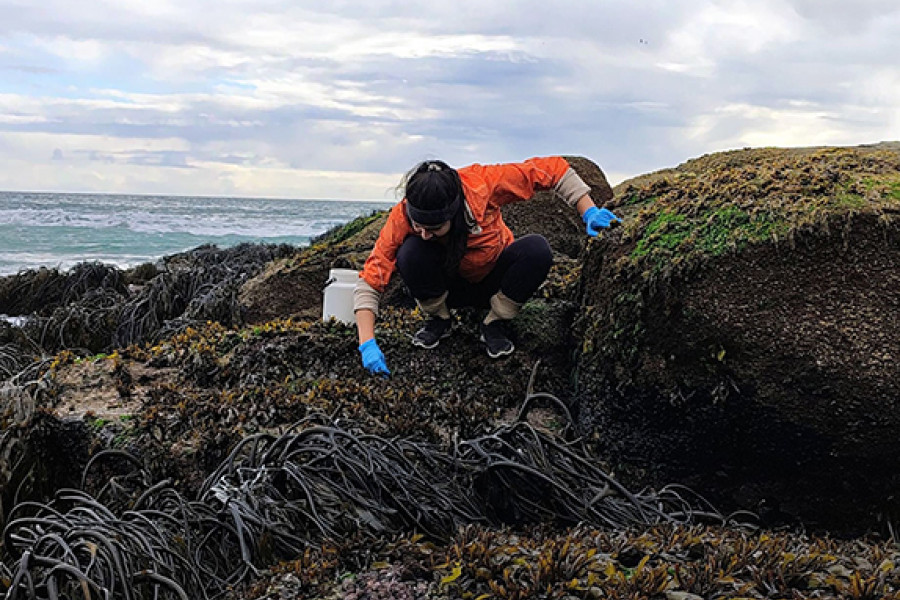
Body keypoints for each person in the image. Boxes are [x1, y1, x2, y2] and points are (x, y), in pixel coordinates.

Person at [354, 157, 620, 375]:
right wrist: (367, 343)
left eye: (433, 228)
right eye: (418, 226)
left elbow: (553, 170)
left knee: (537, 249)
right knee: (411, 252)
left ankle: (494, 322)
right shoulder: (402, 216)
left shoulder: (483, 184)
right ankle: (439, 319)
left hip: (494, 281)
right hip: (447, 287)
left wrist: (589, 210)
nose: (424, 233)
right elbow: (372, 277)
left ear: (453, 212)